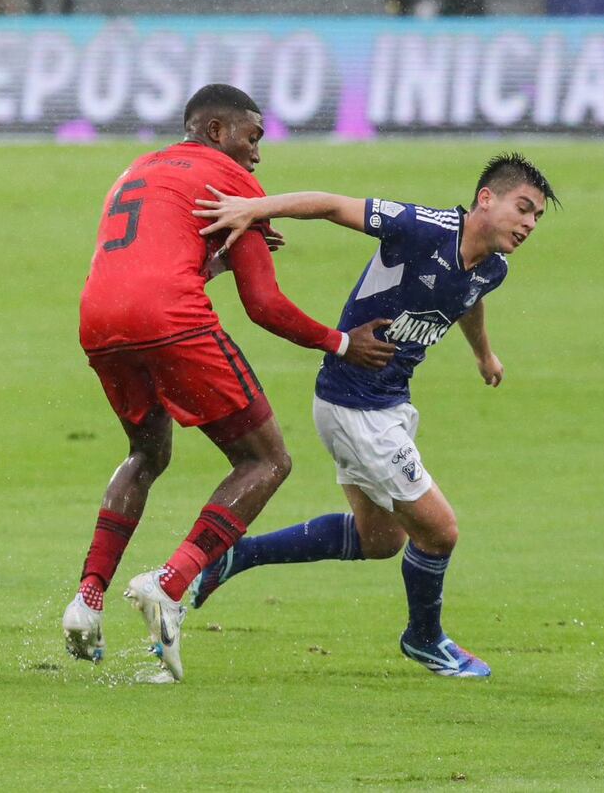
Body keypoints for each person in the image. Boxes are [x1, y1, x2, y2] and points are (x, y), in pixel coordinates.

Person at [62, 83, 395, 682]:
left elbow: (152, 261)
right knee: (266, 460)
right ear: (216, 131)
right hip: (169, 318)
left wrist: (211, 260)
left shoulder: (139, 167)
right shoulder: (229, 178)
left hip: (98, 317)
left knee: (146, 452)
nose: (258, 154)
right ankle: (170, 584)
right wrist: (343, 343)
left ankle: (86, 599)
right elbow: (264, 304)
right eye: (253, 136)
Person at [186, 153, 558, 678]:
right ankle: (425, 639)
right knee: (441, 531)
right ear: (486, 199)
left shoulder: (492, 267)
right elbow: (334, 206)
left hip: (388, 405)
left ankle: (233, 556)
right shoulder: (421, 228)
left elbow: (469, 297)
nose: (529, 224)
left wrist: (483, 355)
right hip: (354, 407)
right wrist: (255, 208)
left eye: (537, 217)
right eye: (523, 208)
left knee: (381, 541)